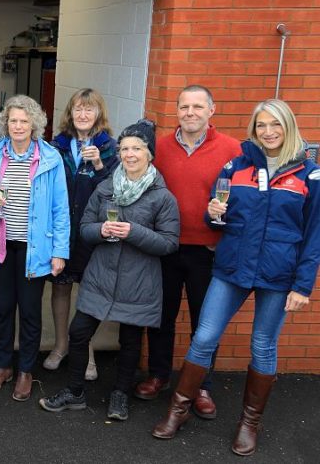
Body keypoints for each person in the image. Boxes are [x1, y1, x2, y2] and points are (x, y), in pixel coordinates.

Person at [152, 99, 318, 456]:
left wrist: (303, 285)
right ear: (253, 129)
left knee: (262, 345)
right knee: (204, 337)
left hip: (279, 273)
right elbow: (220, 216)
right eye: (261, 125)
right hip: (233, 267)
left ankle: (249, 423)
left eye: (275, 124)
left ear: (288, 126)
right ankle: (177, 411)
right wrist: (214, 213)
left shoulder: (309, 175)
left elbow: (314, 235)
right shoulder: (237, 166)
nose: (268, 132)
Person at [40, 120, 179, 421]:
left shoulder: (162, 196)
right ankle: (75, 391)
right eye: (125, 148)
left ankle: (119, 395)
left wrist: (133, 232)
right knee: (78, 333)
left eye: (137, 149)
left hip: (138, 279)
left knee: (129, 340)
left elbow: (169, 243)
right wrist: (101, 230)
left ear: (149, 154)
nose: (130, 154)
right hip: (101, 274)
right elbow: (85, 228)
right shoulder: (105, 188)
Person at [137, 85, 241, 417]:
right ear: (176, 110)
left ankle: (201, 385)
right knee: (160, 317)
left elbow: (242, 201)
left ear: (212, 110)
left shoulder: (231, 149)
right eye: (184, 107)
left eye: (198, 106)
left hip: (208, 251)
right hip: (164, 247)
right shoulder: (161, 147)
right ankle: (159, 375)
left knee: (204, 322)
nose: (190, 112)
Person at [0, 94, 69, 402]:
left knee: (29, 312)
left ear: (34, 125)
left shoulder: (50, 158)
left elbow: (60, 208)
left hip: (36, 249)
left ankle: (25, 370)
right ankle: (3, 366)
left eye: (24, 121)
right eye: (13, 120)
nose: (18, 126)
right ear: (6, 124)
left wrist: (60, 252)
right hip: (2, 246)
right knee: (2, 309)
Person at [44, 89, 119, 379]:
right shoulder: (56, 146)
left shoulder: (110, 147)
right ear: (70, 113)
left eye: (89, 110)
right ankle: (61, 345)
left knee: (87, 294)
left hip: (92, 233)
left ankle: (84, 351)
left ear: (98, 114)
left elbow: (115, 190)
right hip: (63, 230)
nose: (83, 115)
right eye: (78, 109)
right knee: (60, 287)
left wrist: (99, 165)